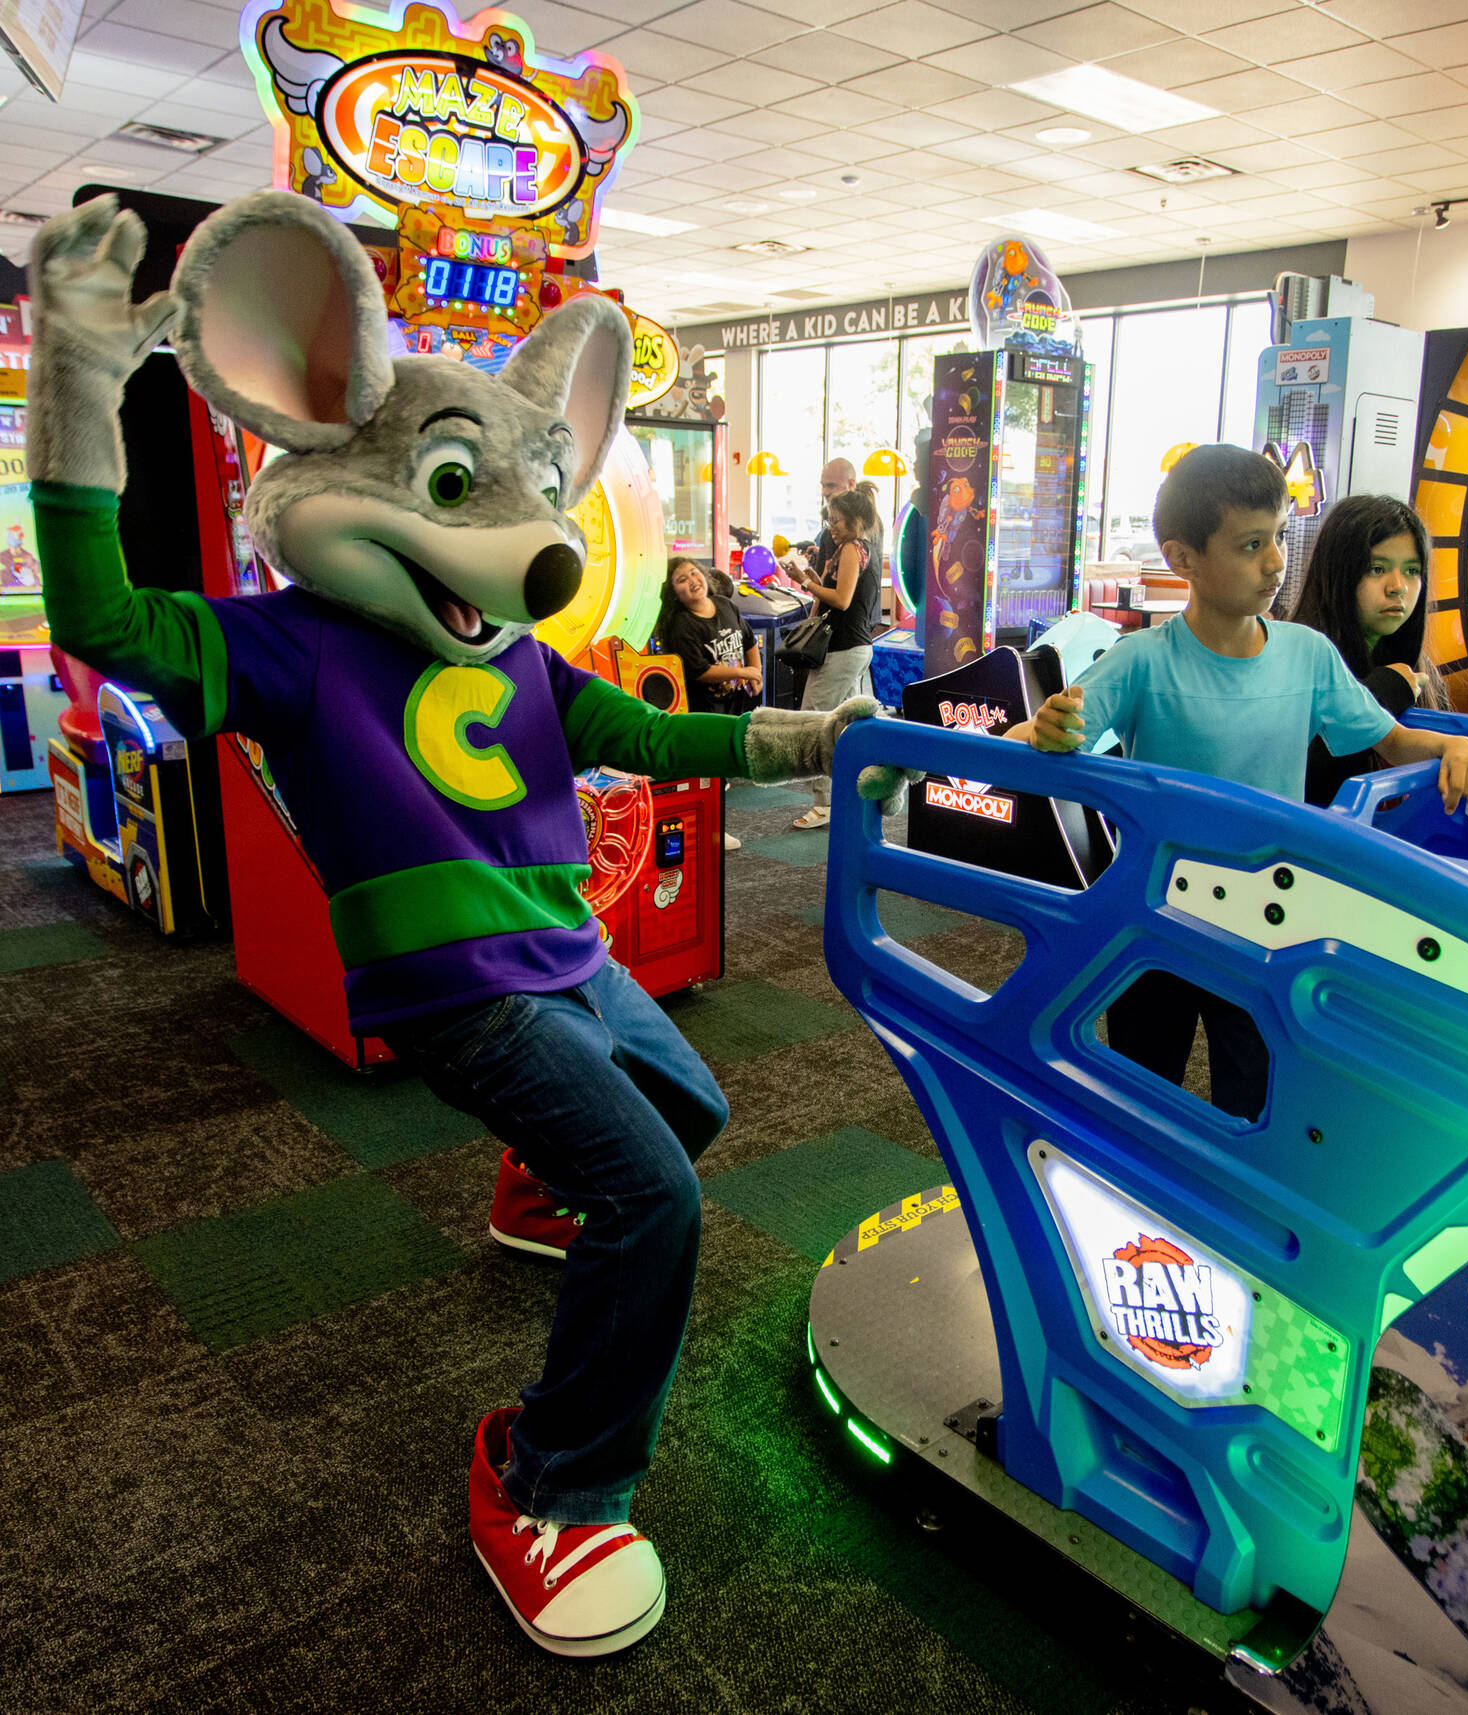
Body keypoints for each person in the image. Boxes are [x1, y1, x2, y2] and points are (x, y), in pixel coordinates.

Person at [27, 192, 913, 1661]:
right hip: (461, 990)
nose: (529, 548)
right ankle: (548, 1478)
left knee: (689, 1105)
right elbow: (108, 628)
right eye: (460, 488)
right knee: (660, 1201)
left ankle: (534, 1187)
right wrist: (73, 392)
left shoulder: (526, 656)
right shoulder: (297, 649)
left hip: (574, 959)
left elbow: (648, 730)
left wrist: (823, 742)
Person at [1014, 444, 1468, 1121]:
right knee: (1137, 1090)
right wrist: (1046, 731)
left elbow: (1392, 740)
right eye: (1250, 545)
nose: (1275, 563)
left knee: (1257, 1101)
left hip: (1268, 919)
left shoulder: (1307, 653)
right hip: (1157, 918)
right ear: (1183, 558)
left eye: (1277, 538)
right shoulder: (1143, 662)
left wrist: (1462, 744)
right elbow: (1029, 742)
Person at [1288, 494, 1453, 808]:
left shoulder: (1421, 672)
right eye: (1377, 569)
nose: (1398, 586)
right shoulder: (1298, 661)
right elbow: (1307, 786)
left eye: (1412, 570)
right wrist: (1382, 693)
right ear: (1337, 575)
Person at [789, 480, 882, 831]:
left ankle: (824, 801)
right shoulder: (860, 548)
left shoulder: (850, 549)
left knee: (815, 721)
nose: (832, 526)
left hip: (843, 648)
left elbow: (841, 600)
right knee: (848, 724)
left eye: (837, 521)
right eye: (830, 520)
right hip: (854, 647)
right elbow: (843, 594)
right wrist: (809, 577)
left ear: (855, 520)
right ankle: (851, 792)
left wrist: (805, 582)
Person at [653, 554, 760, 850]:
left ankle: (711, 827)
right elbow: (699, 671)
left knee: (723, 769)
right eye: (681, 580)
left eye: (693, 574)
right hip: (704, 707)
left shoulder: (726, 605)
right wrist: (742, 671)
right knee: (708, 773)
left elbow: (749, 642)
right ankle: (709, 830)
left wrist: (756, 674)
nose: (691, 582)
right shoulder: (682, 625)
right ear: (674, 592)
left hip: (736, 703)